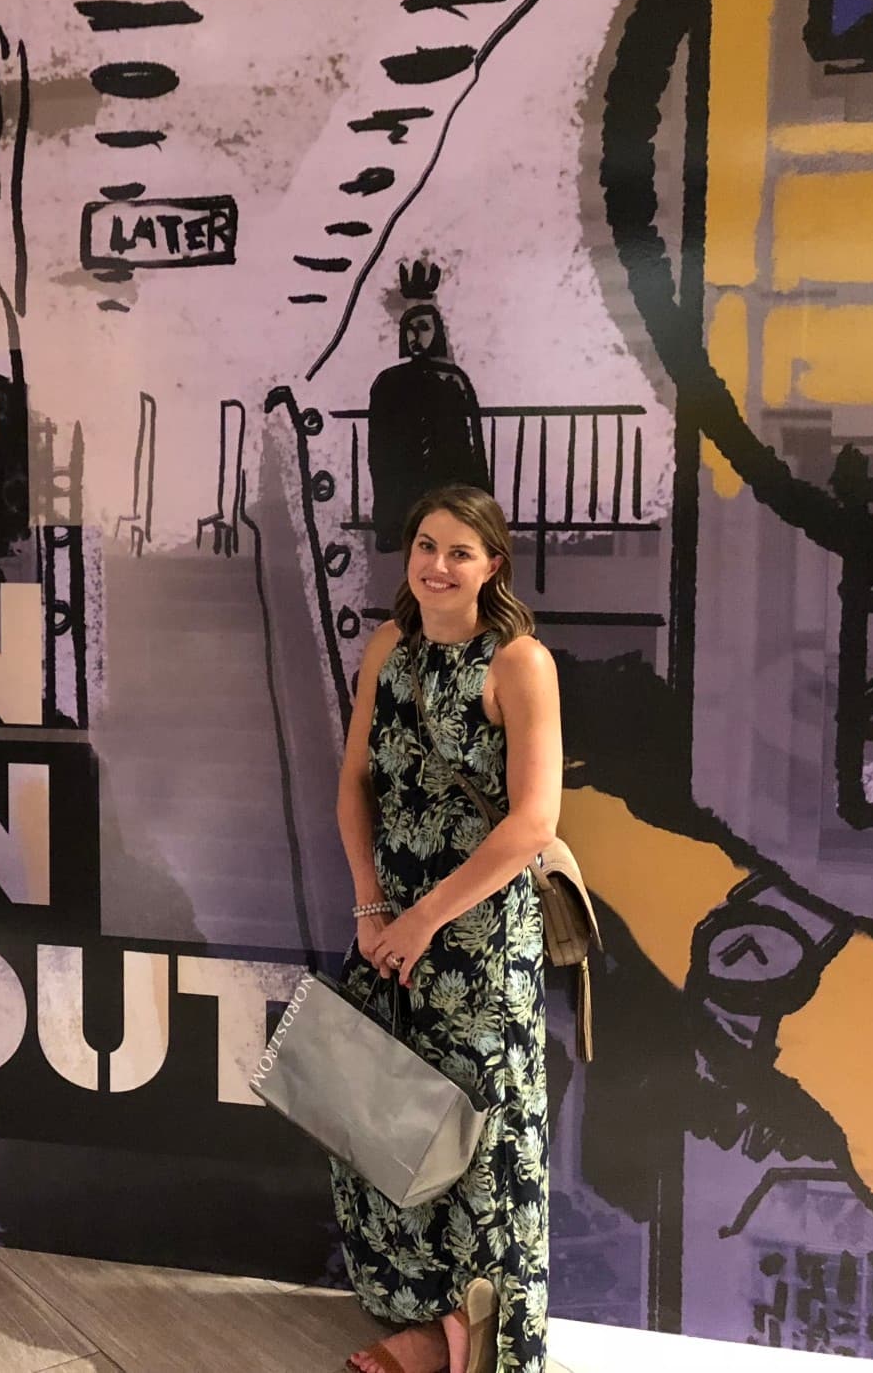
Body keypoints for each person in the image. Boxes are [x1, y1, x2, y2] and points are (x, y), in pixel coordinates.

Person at [334, 485, 561, 1373]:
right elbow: (356, 781)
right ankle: (429, 1328)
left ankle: (486, 1343)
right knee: (393, 1124)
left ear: (492, 566)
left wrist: (425, 917)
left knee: (483, 1141)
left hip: (478, 939)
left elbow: (533, 823)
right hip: (388, 932)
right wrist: (370, 906)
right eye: (426, 545)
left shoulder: (519, 664)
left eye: (460, 552)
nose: (437, 565)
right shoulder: (389, 649)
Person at [366, 262, 492, 553]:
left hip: (447, 485)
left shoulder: (453, 379)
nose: (415, 336)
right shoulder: (388, 382)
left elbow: (474, 446)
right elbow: (379, 452)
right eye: (409, 328)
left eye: (423, 327)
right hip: (405, 490)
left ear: (436, 331)